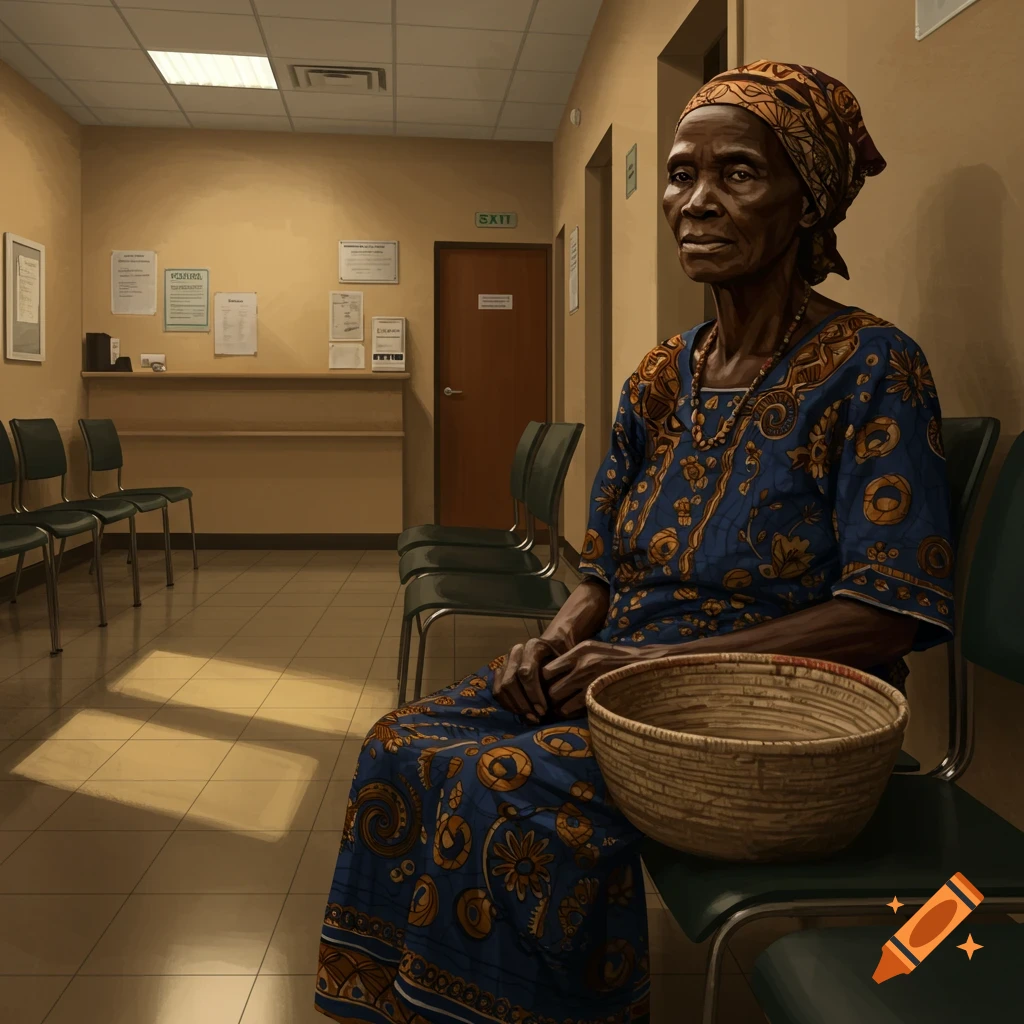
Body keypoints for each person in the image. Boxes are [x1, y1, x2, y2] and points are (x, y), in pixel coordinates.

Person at [315, 60, 954, 1024]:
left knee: (503, 787)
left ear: (808, 201)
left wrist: (655, 670)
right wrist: (563, 635)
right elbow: (605, 568)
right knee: (400, 742)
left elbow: (884, 616)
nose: (695, 201)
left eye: (737, 173)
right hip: (624, 671)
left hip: (772, 708)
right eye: (680, 173)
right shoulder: (661, 375)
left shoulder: (872, 368)